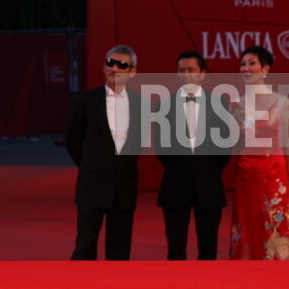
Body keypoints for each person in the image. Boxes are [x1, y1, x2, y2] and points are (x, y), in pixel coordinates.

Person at [66, 45, 144, 260]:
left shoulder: (141, 104)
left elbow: (139, 143)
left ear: (132, 72)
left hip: (124, 187)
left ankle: (117, 283)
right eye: (110, 63)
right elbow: (73, 139)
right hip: (92, 184)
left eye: (122, 65)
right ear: (103, 67)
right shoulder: (86, 100)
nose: (115, 68)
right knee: (85, 247)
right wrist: (91, 165)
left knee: (120, 250)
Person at [154, 50, 232, 260]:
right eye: (181, 70)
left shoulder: (220, 105)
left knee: (208, 247)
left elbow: (226, 147)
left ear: (202, 74)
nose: (186, 74)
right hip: (175, 182)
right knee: (175, 248)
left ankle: (208, 280)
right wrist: (181, 167)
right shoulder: (163, 106)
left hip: (209, 184)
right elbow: (160, 147)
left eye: (191, 70)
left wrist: (207, 170)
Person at [229, 45, 289, 260]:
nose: (245, 68)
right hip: (246, 172)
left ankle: (277, 267)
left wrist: (284, 175)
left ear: (265, 69)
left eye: (252, 63)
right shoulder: (236, 104)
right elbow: (235, 143)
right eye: (242, 64)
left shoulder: (282, 102)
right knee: (247, 221)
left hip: (274, 171)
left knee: (274, 220)